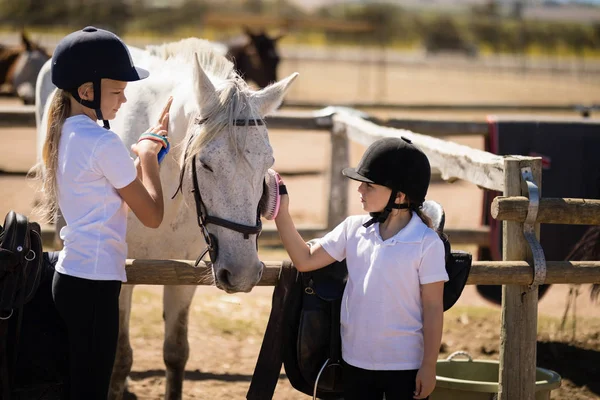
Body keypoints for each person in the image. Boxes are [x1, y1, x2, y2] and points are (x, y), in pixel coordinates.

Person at [32, 26, 173, 399]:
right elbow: (153, 216)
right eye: (117, 91)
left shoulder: (65, 132)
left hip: (71, 278)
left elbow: (114, 186)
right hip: (94, 287)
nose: (124, 100)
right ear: (86, 91)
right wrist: (146, 156)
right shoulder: (103, 142)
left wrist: (143, 155)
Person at [275, 137, 448, 400]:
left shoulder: (427, 244)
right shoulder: (353, 229)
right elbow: (305, 259)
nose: (359, 191)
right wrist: (281, 213)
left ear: (399, 195)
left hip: (404, 367)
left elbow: (434, 308)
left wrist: (428, 366)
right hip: (354, 362)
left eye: (369, 185)